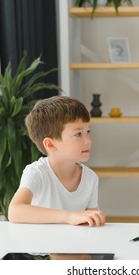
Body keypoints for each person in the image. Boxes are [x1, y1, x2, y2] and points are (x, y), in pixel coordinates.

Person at [8, 96, 105, 227]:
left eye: (88, 131)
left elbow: (91, 224)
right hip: (42, 246)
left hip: (75, 247)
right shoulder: (37, 173)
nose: (88, 140)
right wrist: (69, 216)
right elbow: (15, 211)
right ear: (50, 144)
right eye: (78, 134)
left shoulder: (90, 178)